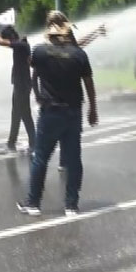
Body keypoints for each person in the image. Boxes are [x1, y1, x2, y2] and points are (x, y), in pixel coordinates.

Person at [17, 13, 98, 217]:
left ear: (50, 33)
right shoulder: (79, 55)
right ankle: (71, 204)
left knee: (41, 158)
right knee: (73, 159)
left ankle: (33, 203)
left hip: (50, 112)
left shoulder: (41, 52)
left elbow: (31, 66)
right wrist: (93, 109)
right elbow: (89, 83)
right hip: (73, 112)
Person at [0, 23, 35, 153]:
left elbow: (1, 42)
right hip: (21, 84)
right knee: (18, 113)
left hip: (22, 85)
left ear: (11, 36)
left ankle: (32, 143)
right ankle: (12, 142)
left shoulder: (20, 45)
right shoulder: (21, 45)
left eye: (8, 38)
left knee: (24, 114)